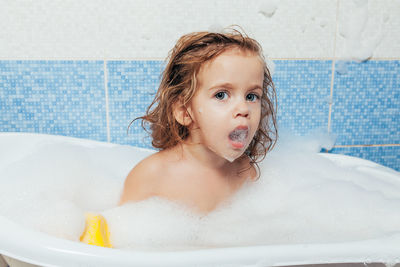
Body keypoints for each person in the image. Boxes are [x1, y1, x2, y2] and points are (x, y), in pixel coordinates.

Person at [80, 28, 277, 247]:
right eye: (221, 95)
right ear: (184, 111)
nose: (243, 108)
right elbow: (118, 242)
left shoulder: (246, 171)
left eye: (252, 96)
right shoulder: (151, 176)